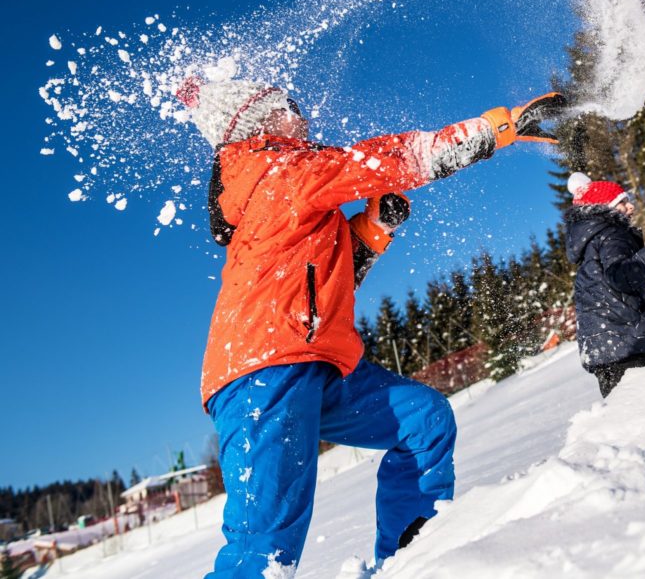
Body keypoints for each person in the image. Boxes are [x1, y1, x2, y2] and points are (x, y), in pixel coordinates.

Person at [176, 75, 563, 577]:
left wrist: (373, 230)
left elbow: (318, 281)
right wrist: (495, 130)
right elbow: (393, 158)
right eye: (287, 106)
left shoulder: (284, 181)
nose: (301, 113)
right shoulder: (281, 169)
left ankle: (413, 561)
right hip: (263, 371)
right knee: (264, 548)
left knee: (423, 421)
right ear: (260, 121)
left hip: (310, 363)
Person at [564, 172, 645, 398]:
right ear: (606, 209)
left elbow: (617, 294)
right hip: (627, 346)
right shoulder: (612, 235)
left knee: (628, 419)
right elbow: (621, 277)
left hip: (607, 347)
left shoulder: (593, 244)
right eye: (622, 203)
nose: (630, 207)